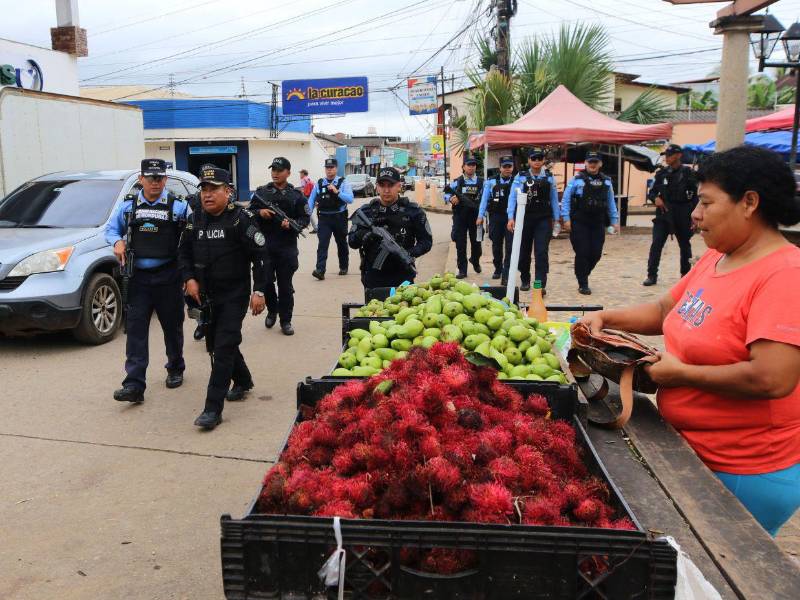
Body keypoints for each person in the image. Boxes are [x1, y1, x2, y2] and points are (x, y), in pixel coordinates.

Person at [579, 145, 800, 536]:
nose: (695, 214)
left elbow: (772, 378)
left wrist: (681, 374)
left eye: (706, 203)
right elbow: (667, 310)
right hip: (690, 449)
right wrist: (606, 317)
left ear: (749, 203)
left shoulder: (784, 275)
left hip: (741, 470)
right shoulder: (718, 258)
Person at [179, 166, 267, 430]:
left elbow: (261, 257)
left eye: (214, 189)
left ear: (228, 192)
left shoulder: (241, 219)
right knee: (218, 343)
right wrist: (189, 278)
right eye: (204, 190)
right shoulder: (195, 220)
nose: (207, 195)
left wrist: (259, 291)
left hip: (233, 295)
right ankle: (243, 380)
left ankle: (212, 408)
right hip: (205, 296)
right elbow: (182, 252)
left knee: (223, 347)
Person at [105, 158, 190, 404]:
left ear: (165, 179)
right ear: (141, 179)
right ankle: (134, 384)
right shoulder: (128, 206)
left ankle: (175, 367)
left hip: (168, 276)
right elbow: (110, 230)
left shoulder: (179, 206)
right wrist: (117, 242)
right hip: (138, 278)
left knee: (172, 326)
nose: (155, 182)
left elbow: (192, 235)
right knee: (136, 330)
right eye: (150, 177)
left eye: (159, 178)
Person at [250, 157, 310, 336]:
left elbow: (305, 218)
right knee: (267, 283)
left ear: (288, 173)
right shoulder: (262, 193)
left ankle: (286, 320)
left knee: (285, 286)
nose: (275, 173)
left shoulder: (296, 195)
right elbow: (248, 213)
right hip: (265, 247)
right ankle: (272, 311)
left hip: (286, 248)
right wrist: (260, 212)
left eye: (279, 170)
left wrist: (291, 225)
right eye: (273, 170)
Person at [348, 166, 432, 290]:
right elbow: (352, 241)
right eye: (382, 185)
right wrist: (366, 236)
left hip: (403, 275)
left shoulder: (413, 211)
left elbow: (426, 242)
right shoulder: (366, 212)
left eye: (390, 185)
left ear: (399, 186)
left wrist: (408, 253)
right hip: (373, 277)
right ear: (376, 187)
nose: (386, 190)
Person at [562, 151, 619, 295]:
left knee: (596, 253)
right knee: (582, 252)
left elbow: (611, 202)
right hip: (579, 221)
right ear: (585, 163)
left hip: (597, 221)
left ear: (600, 164)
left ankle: (583, 273)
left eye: (595, 162)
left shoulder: (606, 181)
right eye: (590, 162)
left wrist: (614, 221)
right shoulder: (576, 179)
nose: (593, 164)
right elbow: (566, 199)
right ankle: (583, 283)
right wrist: (566, 218)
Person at [643, 144, 698, 286]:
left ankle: (685, 275)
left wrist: (694, 216)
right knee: (656, 244)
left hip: (682, 212)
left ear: (678, 155)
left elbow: (696, 196)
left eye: (669, 155)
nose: (666, 158)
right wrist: (655, 198)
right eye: (666, 155)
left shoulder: (688, 173)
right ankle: (651, 275)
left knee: (685, 245)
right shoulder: (661, 173)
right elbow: (652, 192)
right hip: (664, 213)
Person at [507, 148, 560, 293]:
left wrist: (557, 219)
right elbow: (512, 198)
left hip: (543, 218)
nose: (537, 161)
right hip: (524, 218)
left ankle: (539, 284)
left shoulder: (549, 177)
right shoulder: (521, 177)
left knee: (541, 252)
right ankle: (525, 278)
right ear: (529, 160)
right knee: (524, 251)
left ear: (543, 160)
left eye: (539, 158)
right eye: (533, 158)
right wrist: (510, 217)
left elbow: (554, 199)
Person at [309, 158, 354, 280]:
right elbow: (311, 200)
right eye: (327, 168)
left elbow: (350, 199)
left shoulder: (343, 182)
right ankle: (320, 270)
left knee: (341, 243)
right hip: (324, 218)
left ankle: (343, 266)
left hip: (339, 217)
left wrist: (337, 192)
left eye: (332, 167)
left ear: (336, 168)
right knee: (322, 244)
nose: (329, 170)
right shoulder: (319, 183)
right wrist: (306, 214)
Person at [477, 154, 515, 284]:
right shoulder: (491, 182)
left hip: (511, 218)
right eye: (505, 167)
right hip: (496, 217)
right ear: (500, 168)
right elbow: (484, 200)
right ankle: (498, 268)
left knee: (510, 246)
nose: (507, 169)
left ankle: (507, 271)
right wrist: (480, 216)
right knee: (496, 245)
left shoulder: (516, 182)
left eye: (509, 166)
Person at [445, 156, 483, 278]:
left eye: (473, 164)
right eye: (469, 164)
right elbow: (445, 194)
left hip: (476, 217)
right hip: (460, 217)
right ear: (463, 167)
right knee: (460, 244)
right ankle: (462, 270)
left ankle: (475, 260)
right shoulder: (457, 181)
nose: (471, 167)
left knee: (477, 243)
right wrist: (451, 198)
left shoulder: (482, 182)